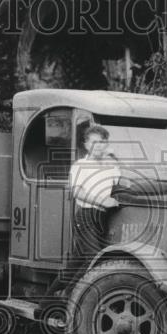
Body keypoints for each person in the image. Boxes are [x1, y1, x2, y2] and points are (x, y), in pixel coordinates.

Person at [48, 124, 122, 295]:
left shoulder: (111, 167)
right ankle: (68, 293)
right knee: (95, 257)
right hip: (85, 216)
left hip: (101, 219)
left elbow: (122, 184)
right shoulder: (80, 165)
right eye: (94, 142)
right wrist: (102, 201)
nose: (99, 146)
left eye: (103, 142)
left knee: (76, 263)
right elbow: (77, 192)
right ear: (86, 145)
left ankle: (44, 304)